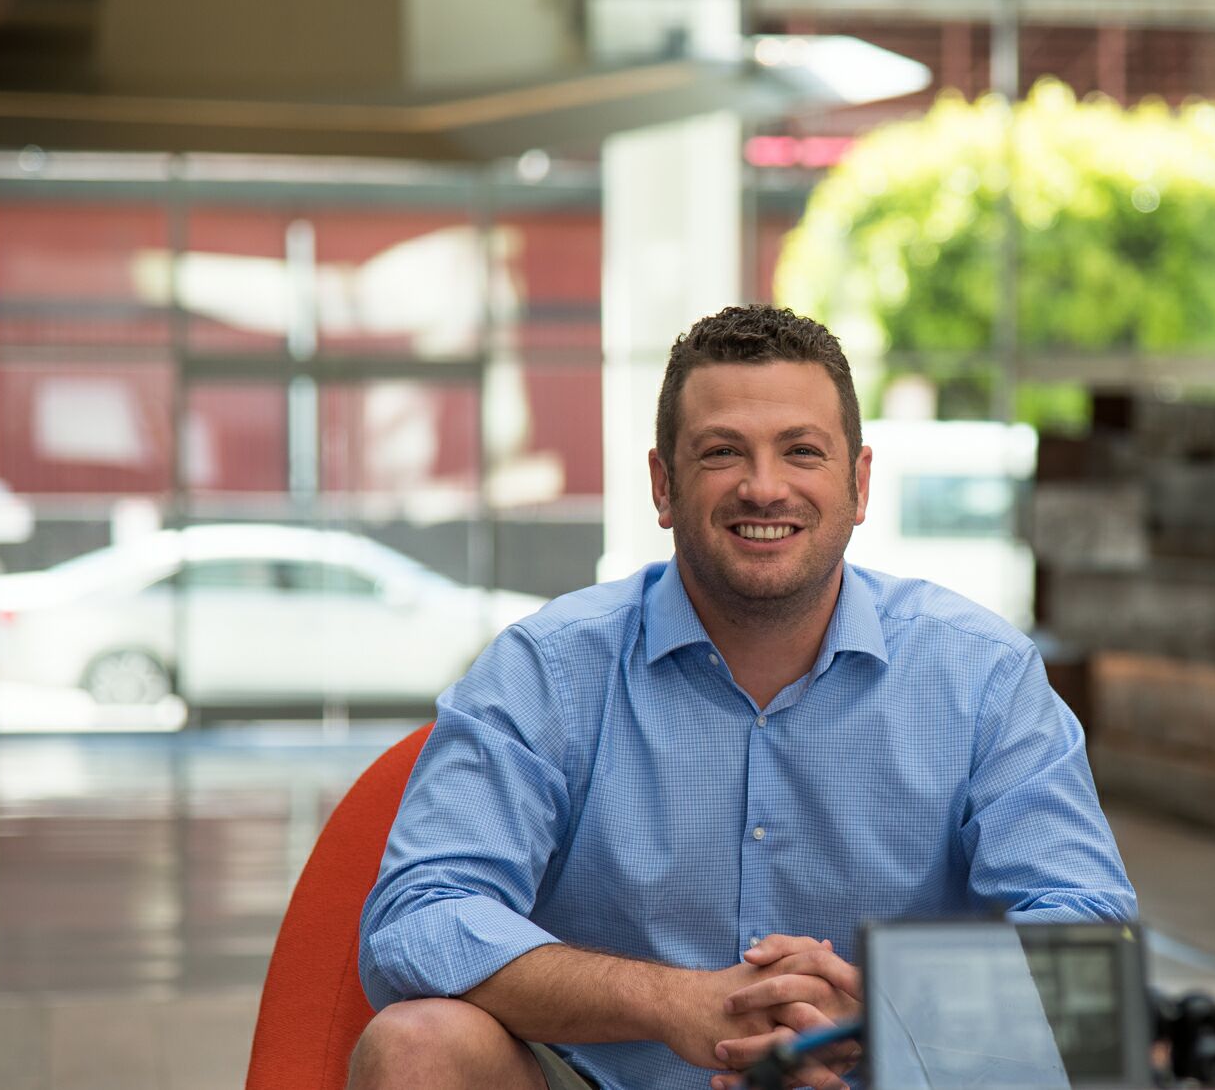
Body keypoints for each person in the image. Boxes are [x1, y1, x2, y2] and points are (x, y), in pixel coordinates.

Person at [350, 305, 1136, 1090]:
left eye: (802, 451)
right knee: (417, 1044)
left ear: (859, 483)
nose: (764, 487)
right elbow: (419, 914)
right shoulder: (546, 670)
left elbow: (1089, 936)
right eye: (723, 452)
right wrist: (671, 1002)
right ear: (664, 485)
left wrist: (887, 1014)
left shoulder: (982, 674)